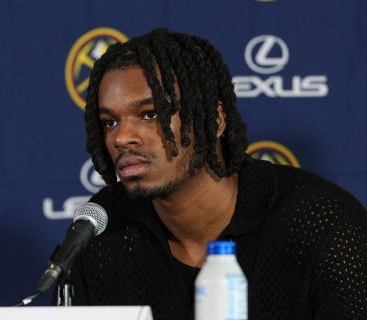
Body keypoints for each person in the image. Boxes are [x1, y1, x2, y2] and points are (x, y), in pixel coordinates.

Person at [65, 28, 367, 320]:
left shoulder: (322, 224)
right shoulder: (102, 234)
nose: (121, 138)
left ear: (215, 121)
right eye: (109, 122)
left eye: (150, 114)